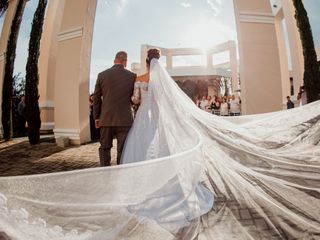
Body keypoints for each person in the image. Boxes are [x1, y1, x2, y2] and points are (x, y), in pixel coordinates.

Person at [0, 50, 320, 239]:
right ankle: (147, 181)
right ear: (159, 60)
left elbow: (131, 97)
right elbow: (157, 101)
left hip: (135, 119)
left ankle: (113, 179)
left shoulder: (133, 78)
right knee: (138, 151)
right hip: (142, 122)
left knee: (116, 153)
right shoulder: (151, 78)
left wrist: (110, 110)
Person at [93, 51, 136, 166]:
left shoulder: (102, 75)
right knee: (123, 150)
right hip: (125, 119)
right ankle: (120, 173)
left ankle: (105, 171)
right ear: (125, 61)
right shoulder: (132, 76)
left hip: (106, 118)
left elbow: (96, 98)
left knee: (104, 148)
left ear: (114, 60)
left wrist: (97, 117)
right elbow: (133, 98)